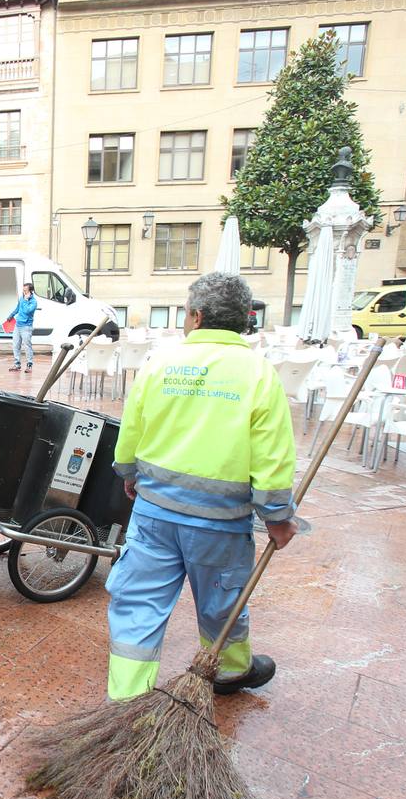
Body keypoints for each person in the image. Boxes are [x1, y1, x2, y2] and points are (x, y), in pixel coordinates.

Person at [105, 272, 296, 701]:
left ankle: (126, 697)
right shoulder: (259, 374)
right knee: (221, 603)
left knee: (137, 605)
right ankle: (229, 670)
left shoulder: (159, 363)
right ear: (243, 320)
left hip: (154, 514)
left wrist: (129, 473)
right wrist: (278, 518)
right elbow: (273, 457)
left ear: (196, 316)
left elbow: (131, 429)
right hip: (220, 524)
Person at [7, 282, 37, 373]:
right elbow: (18, 308)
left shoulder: (33, 302)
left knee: (27, 346)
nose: (24, 292)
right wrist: (11, 315)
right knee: (16, 345)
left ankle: (29, 365)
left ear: (30, 291)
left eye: (26, 291)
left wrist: (26, 300)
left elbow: (27, 311)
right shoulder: (22, 298)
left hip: (26, 327)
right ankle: (17, 365)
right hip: (17, 325)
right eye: (23, 290)